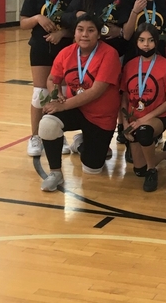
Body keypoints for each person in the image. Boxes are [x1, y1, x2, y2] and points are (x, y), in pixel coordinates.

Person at [38, 13, 122, 191]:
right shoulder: (66, 53)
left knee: (93, 169)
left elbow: (96, 91)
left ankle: (82, 142)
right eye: (80, 30)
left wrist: (63, 104)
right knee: (47, 124)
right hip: (76, 109)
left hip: (100, 116)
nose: (84, 34)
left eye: (91, 30)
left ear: (99, 34)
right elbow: (53, 78)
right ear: (74, 33)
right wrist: (55, 93)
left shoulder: (109, 54)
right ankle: (55, 172)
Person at [20, 0, 75, 157]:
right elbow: (23, 23)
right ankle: (35, 136)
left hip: (64, 50)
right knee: (40, 94)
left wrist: (61, 34)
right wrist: (37, 18)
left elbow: (79, 28)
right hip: (40, 49)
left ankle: (56, 134)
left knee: (60, 93)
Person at [120, 23, 166, 192]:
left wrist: (143, 120)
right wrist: (125, 124)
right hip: (134, 120)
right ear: (136, 42)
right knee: (138, 170)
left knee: (144, 132)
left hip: (156, 118)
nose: (146, 44)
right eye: (141, 40)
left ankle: (152, 171)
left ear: (156, 42)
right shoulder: (130, 65)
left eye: (150, 40)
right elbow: (124, 99)